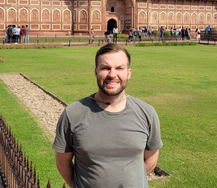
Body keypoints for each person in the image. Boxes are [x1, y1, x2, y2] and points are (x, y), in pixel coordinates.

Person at [53, 44, 162, 188]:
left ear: (128, 73)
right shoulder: (73, 114)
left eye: (119, 68)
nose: (112, 74)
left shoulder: (146, 113)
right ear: (96, 71)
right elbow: (62, 163)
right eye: (105, 68)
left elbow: (151, 160)